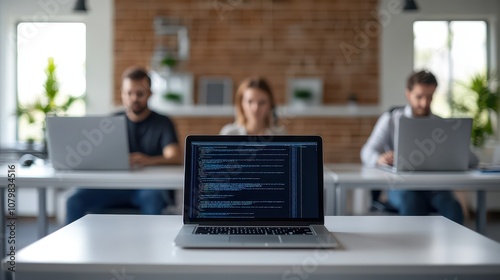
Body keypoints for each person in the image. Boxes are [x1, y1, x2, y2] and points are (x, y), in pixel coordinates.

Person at [65, 67, 181, 224]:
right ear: (122, 94)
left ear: (150, 94)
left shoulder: (163, 123)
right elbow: (98, 155)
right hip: (113, 186)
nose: (134, 98)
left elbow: (175, 157)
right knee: (74, 200)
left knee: (153, 198)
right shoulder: (110, 122)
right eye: (129, 93)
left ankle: (151, 248)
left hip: (148, 188)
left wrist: (147, 160)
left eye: (140, 93)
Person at [360, 70, 478, 224]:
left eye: (430, 97)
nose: (424, 103)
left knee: (453, 207)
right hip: (402, 187)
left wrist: (456, 152)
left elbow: (473, 158)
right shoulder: (391, 119)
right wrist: (379, 158)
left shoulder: (441, 125)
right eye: (419, 96)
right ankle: (413, 249)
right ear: (408, 93)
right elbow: (366, 152)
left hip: (435, 188)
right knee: (411, 201)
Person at [220, 77, 286, 135]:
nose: (256, 108)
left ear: (270, 104)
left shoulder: (280, 135)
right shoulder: (229, 133)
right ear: (241, 104)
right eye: (250, 102)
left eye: (262, 102)